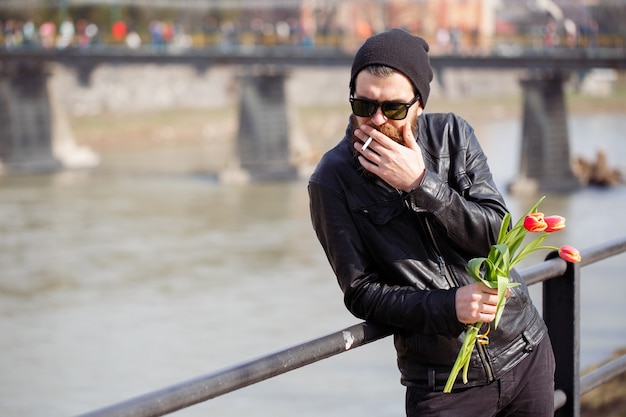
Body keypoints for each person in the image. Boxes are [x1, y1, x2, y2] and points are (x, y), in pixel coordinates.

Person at [308, 28, 555, 417]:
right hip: (442, 386)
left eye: (392, 109)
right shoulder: (331, 179)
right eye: (362, 104)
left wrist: (422, 185)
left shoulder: (452, 135)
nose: (375, 120)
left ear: (419, 104)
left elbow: (498, 235)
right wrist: (448, 306)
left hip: (524, 350)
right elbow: (361, 292)